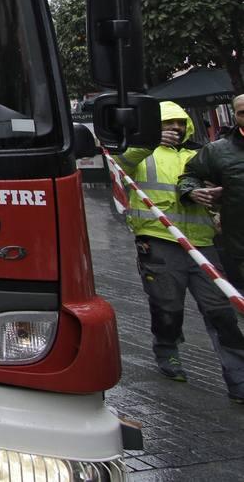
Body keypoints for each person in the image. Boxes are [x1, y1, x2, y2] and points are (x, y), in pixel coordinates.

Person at [115, 100, 244, 404]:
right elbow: (118, 168)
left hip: (202, 244)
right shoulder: (142, 154)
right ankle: (167, 348)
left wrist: (214, 196)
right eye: (166, 124)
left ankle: (238, 378)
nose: (174, 129)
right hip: (158, 241)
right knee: (167, 307)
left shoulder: (200, 154)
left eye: (179, 124)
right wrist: (144, 143)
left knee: (221, 313)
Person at [179, 94, 244, 295]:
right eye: (243, 113)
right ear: (235, 116)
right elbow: (190, 176)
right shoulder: (217, 151)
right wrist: (193, 191)